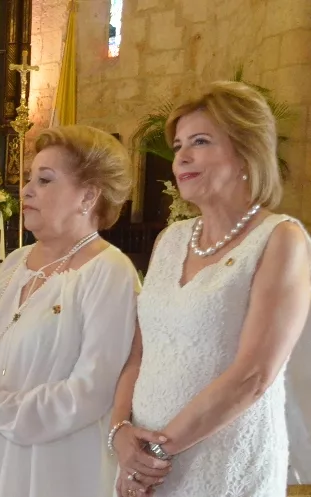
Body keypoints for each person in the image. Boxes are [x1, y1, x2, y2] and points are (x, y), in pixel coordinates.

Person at [111, 81, 311, 497]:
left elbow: (255, 374)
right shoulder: (170, 239)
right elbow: (139, 351)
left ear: (246, 151)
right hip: (146, 459)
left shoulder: (280, 239)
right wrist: (121, 431)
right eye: (180, 144)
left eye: (200, 142)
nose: (181, 156)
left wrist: (157, 454)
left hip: (223, 456)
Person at [0, 125, 138, 497]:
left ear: (88, 196)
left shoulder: (110, 272)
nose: (26, 189)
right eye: (29, 178)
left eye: (45, 180)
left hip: (55, 466)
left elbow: (91, 390)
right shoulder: (16, 261)